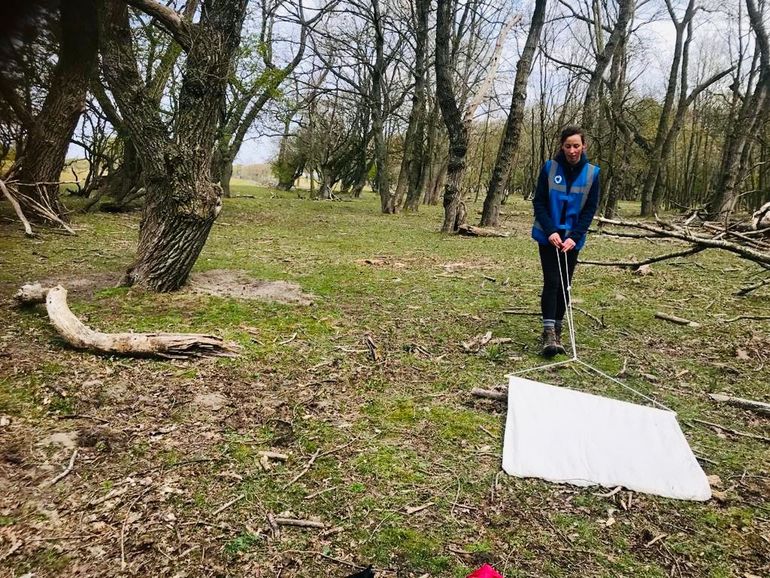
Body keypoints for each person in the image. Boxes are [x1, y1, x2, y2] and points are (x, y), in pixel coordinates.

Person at [531, 126, 600, 356]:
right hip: (548, 236)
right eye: (568, 146)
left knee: (565, 283)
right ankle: (548, 332)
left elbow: (589, 211)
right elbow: (539, 202)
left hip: (572, 240)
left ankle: (559, 328)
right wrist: (551, 231)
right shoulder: (549, 168)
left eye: (576, 146)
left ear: (584, 146)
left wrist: (574, 237)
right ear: (562, 146)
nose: (572, 150)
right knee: (551, 281)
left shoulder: (593, 173)